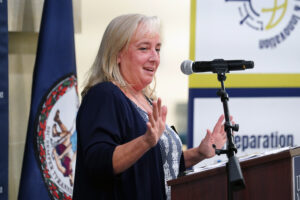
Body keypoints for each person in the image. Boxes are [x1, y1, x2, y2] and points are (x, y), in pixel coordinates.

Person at [73, 14, 229, 200]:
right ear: (117, 54)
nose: (155, 58)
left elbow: (156, 165)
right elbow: (99, 162)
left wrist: (199, 153)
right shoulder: (104, 95)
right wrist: (145, 141)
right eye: (144, 48)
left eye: (157, 49)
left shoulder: (146, 100)